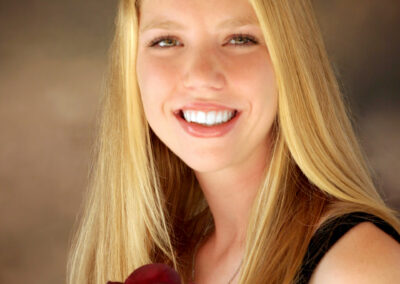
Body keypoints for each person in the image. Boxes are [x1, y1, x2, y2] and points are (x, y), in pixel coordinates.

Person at [66, 0, 400, 283]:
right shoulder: (171, 257)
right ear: (132, 67)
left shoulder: (358, 267)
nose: (201, 76)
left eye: (239, 39)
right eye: (166, 41)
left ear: (291, 61)